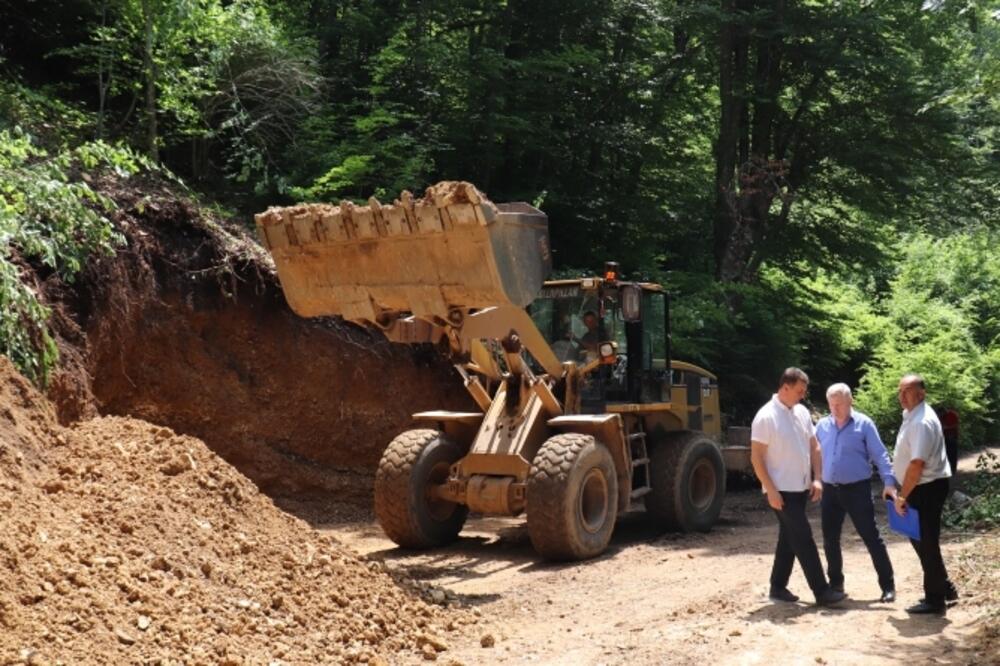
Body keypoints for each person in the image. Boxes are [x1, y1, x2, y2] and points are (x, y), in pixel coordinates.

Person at [750, 368, 846, 606]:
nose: (803, 395)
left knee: (789, 537)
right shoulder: (765, 417)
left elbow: (814, 446)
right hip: (780, 491)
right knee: (803, 537)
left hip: (800, 488)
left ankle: (777, 586)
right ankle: (822, 591)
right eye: (799, 391)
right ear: (785, 387)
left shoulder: (801, 412)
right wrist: (770, 489)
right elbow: (757, 458)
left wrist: (817, 478)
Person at [815, 383, 896, 603]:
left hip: (857, 489)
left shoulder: (864, 424)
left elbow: (880, 455)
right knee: (830, 539)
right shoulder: (822, 426)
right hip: (830, 490)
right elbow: (813, 454)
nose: (835, 409)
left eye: (839, 404)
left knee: (870, 536)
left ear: (850, 401)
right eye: (831, 404)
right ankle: (836, 584)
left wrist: (889, 481)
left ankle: (888, 585)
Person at [892, 374, 958, 615]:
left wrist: (902, 495)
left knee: (926, 542)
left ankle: (935, 599)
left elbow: (917, 464)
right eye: (900, 391)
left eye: (907, 391)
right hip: (922, 487)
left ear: (921, 393)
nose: (902, 396)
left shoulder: (921, 422)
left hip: (926, 487)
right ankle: (944, 587)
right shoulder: (912, 415)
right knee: (919, 538)